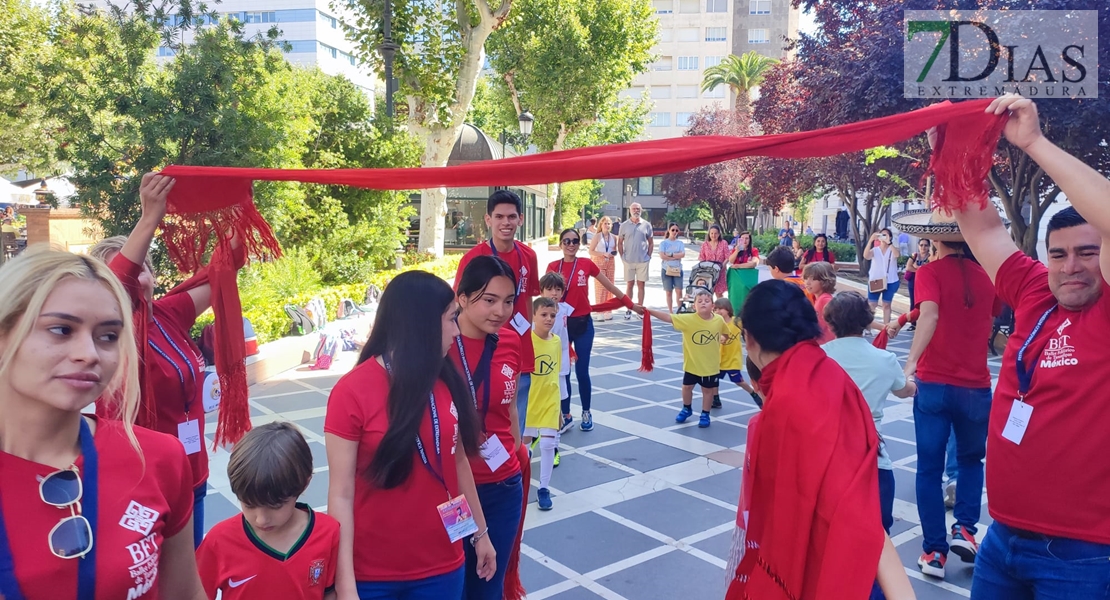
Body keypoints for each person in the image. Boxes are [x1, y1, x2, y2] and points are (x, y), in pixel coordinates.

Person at [953, 95, 1110, 598]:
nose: (1072, 266)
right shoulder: (1035, 289)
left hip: (1084, 554)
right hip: (1002, 541)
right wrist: (956, 152)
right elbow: (981, 227)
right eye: (1059, 254)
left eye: (1089, 252)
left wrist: (1033, 142)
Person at [0, 247, 205, 600]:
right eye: (61, 329)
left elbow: (184, 592)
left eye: (107, 336)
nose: (90, 353)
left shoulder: (156, 458)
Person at [725, 279, 913, 600]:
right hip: (867, 505)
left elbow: (850, 510)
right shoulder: (827, 373)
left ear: (750, 339)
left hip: (826, 552)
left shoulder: (790, 402)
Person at [90, 172, 243, 546]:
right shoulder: (105, 333)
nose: (136, 274)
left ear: (154, 275)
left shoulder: (170, 314)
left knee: (185, 576)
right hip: (138, 476)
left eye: (144, 265)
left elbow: (224, 270)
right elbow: (120, 284)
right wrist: (149, 218)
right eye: (130, 266)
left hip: (192, 473)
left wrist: (239, 206)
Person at [325, 271, 495, 600]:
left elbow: (457, 463)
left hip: (443, 567)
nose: (458, 331)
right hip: (372, 574)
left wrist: (480, 533)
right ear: (421, 324)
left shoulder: (446, 380)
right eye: (451, 319)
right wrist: (345, 587)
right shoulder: (352, 392)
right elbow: (341, 494)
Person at [896, 234, 995, 580]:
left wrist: (910, 363)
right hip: (976, 387)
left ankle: (934, 551)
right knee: (971, 461)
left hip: (935, 384)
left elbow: (932, 314)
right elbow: (992, 313)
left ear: (937, 238)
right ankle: (966, 530)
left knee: (928, 469)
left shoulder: (930, 272)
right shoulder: (987, 275)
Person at [449, 257, 526, 600]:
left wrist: (514, 451)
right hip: (454, 496)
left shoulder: (509, 341)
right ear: (462, 298)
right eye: (489, 300)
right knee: (456, 582)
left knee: (489, 584)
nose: (500, 311)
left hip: (504, 486)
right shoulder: (442, 344)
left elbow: (509, 407)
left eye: (508, 301)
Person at [197, 422, 340, 599]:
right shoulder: (218, 540)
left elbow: (329, 593)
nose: (261, 519)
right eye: (249, 505)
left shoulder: (327, 532)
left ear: (305, 483)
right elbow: (194, 592)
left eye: (275, 506)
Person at [821, 292, 918, 535]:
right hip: (871, 453)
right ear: (866, 321)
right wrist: (912, 379)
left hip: (828, 454)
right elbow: (904, 391)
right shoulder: (885, 359)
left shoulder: (820, 357)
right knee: (876, 531)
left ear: (831, 324)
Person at [454, 190, 540, 433]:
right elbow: (459, 304)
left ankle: (512, 464)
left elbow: (528, 298)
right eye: (499, 216)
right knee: (476, 422)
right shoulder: (473, 258)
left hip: (519, 353)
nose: (506, 223)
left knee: (514, 423)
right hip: (480, 353)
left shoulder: (529, 256)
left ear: (520, 219)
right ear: (488, 220)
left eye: (511, 217)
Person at [546, 228, 627, 433]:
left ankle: (586, 412)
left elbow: (609, 285)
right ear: (561, 243)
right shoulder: (553, 266)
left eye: (574, 240)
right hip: (560, 327)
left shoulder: (586, 264)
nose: (571, 244)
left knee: (582, 372)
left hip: (583, 325)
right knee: (562, 373)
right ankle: (565, 415)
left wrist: (629, 303)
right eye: (566, 241)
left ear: (579, 243)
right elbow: (544, 296)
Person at [636, 290, 727, 429]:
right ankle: (686, 408)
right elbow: (668, 317)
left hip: (710, 365)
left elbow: (725, 333)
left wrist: (723, 339)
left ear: (713, 305)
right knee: (686, 388)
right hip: (692, 365)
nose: (703, 303)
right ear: (694, 306)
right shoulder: (688, 320)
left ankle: (705, 414)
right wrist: (649, 311)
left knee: (707, 391)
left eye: (707, 301)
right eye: (700, 301)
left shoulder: (718, 320)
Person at [524, 297, 562, 511]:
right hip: (530, 400)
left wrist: (559, 410)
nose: (548, 319)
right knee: (524, 447)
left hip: (550, 400)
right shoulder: (526, 339)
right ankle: (520, 483)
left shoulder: (556, 341)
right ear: (533, 315)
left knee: (548, 445)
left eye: (553, 315)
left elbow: (555, 373)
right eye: (544, 315)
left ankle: (544, 488)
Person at [537, 272, 572, 465]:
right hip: (541, 364)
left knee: (555, 407)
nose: (554, 293)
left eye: (558, 289)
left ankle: (555, 447)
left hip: (560, 363)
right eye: (549, 289)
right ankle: (533, 436)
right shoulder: (536, 310)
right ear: (541, 290)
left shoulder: (565, 309)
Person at [712, 298, 760, 410]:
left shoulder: (736, 322)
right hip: (718, 358)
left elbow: (748, 327)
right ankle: (716, 398)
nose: (718, 311)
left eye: (720, 309)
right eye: (716, 309)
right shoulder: (715, 322)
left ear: (728, 309)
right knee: (713, 379)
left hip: (732, 358)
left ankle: (753, 393)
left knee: (739, 381)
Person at [617, 202, 653, 319]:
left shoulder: (646, 225)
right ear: (630, 210)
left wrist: (648, 256)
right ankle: (629, 309)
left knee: (641, 285)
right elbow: (620, 242)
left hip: (642, 260)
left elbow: (651, 242)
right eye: (634, 209)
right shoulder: (624, 225)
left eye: (638, 209)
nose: (636, 211)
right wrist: (622, 257)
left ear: (641, 210)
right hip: (628, 260)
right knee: (629, 285)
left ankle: (640, 309)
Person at [864, 228, 901, 326]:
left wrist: (889, 243)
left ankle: (886, 327)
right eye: (882, 235)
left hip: (891, 281)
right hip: (876, 280)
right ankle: (868, 327)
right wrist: (871, 240)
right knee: (872, 305)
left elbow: (897, 255)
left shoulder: (893, 249)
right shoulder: (875, 250)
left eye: (886, 235)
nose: (883, 237)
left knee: (886, 304)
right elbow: (866, 256)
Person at [587, 216, 618, 321]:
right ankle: (600, 310)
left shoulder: (614, 237)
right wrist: (602, 254)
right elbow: (591, 251)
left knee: (610, 286)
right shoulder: (597, 236)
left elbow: (615, 250)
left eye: (609, 223)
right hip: (599, 261)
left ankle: (608, 310)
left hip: (610, 262)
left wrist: (612, 254)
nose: (607, 225)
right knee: (600, 287)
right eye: (605, 223)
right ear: (601, 225)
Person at [802, 261, 837, 344]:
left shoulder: (825, 300)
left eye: (813, 279)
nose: (807, 282)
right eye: (806, 278)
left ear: (824, 281)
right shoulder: (818, 298)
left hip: (826, 345)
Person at [904, 239, 932, 330]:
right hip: (913, 281)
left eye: (926, 245)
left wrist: (916, 267)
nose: (923, 247)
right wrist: (920, 270)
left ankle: (922, 321)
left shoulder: (930, 257)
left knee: (923, 302)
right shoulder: (914, 256)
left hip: (924, 282)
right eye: (921, 245)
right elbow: (908, 267)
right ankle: (913, 323)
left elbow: (929, 269)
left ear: (929, 247)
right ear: (918, 246)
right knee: (913, 301)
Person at [659, 222, 687, 312]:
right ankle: (670, 311)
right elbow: (662, 256)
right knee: (668, 291)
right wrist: (675, 256)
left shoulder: (680, 243)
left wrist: (670, 255)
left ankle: (679, 310)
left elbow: (682, 255)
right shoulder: (663, 243)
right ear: (669, 230)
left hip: (677, 269)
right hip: (666, 269)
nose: (675, 232)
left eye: (676, 230)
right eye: (673, 230)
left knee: (679, 291)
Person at [698, 224, 731, 299]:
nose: (713, 235)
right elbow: (701, 257)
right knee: (708, 293)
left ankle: (720, 309)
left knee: (719, 294)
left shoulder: (723, 243)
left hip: (720, 272)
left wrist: (723, 265)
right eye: (711, 233)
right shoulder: (705, 244)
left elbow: (727, 256)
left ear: (719, 234)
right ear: (709, 234)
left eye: (715, 233)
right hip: (708, 272)